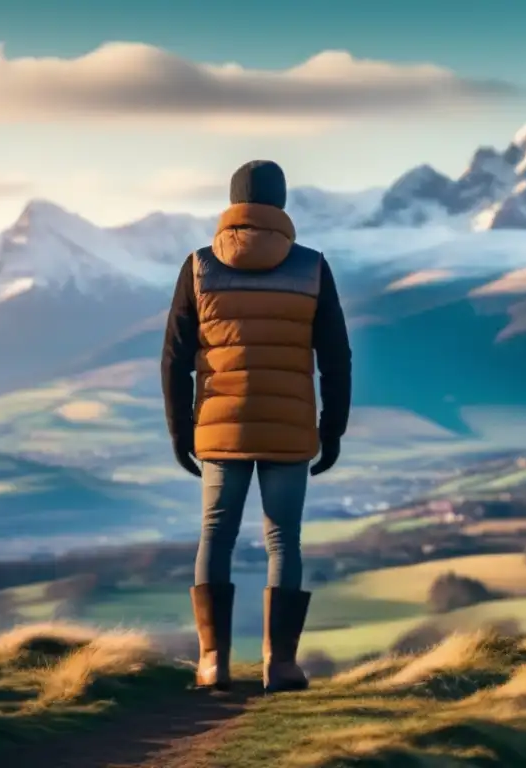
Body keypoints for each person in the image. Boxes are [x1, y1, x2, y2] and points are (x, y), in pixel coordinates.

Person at [160, 160, 352, 694]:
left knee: (215, 536)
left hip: (220, 429)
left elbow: (174, 356)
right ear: (282, 204)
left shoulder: (199, 267)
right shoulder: (311, 268)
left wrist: (181, 429)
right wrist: (331, 428)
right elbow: (336, 356)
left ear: (232, 204)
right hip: (289, 428)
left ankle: (212, 663)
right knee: (282, 542)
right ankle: (280, 664)